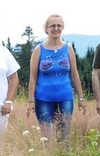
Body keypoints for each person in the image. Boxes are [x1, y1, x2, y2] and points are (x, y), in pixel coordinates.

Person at [27, 14, 85, 143]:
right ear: (46, 28)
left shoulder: (68, 48)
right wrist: (31, 100)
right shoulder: (39, 50)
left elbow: (74, 74)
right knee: (46, 136)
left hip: (65, 98)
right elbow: (33, 77)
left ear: (63, 28)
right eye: (52, 26)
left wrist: (81, 97)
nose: (56, 29)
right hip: (43, 99)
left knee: (64, 136)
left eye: (59, 25)